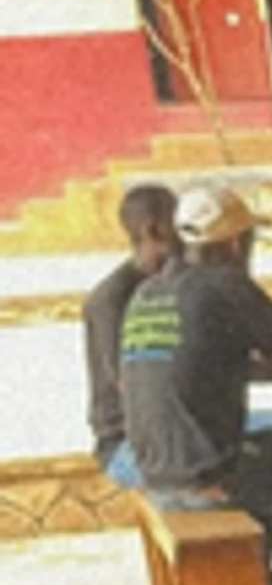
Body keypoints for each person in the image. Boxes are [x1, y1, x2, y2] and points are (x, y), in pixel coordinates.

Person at [117, 184, 272, 572]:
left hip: (154, 473)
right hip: (207, 482)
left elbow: (198, 365)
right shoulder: (226, 285)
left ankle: (257, 568)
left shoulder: (148, 292)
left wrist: (248, 365)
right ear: (236, 242)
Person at [81, 182, 178, 483]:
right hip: (129, 444)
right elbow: (132, 383)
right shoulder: (111, 300)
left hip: (175, 436)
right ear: (154, 230)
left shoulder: (176, 284)